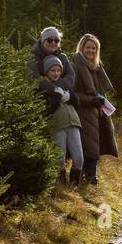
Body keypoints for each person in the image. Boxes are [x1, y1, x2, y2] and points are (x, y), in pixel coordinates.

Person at [71, 33, 118, 185]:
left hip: (97, 113)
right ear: (82, 48)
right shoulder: (75, 66)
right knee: (88, 148)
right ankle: (86, 179)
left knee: (94, 147)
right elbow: (72, 93)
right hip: (83, 113)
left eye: (94, 48)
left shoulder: (96, 67)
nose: (91, 51)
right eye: (88, 47)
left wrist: (100, 102)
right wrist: (91, 100)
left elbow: (101, 90)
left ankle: (88, 179)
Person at [38, 56, 84, 184]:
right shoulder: (44, 88)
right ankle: (61, 184)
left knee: (79, 157)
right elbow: (47, 111)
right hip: (57, 126)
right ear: (46, 71)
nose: (56, 73)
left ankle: (75, 184)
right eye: (53, 70)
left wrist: (70, 96)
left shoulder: (64, 85)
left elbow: (77, 102)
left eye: (58, 70)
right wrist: (57, 97)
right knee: (59, 158)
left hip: (74, 123)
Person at [28, 26, 75, 90]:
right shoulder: (33, 58)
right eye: (49, 40)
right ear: (43, 42)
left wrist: (56, 86)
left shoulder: (62, 58)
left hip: (63, 93)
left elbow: (71, 77)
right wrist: (54, 89)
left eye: (56, 40)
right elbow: (34, 79)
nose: (53, 43)